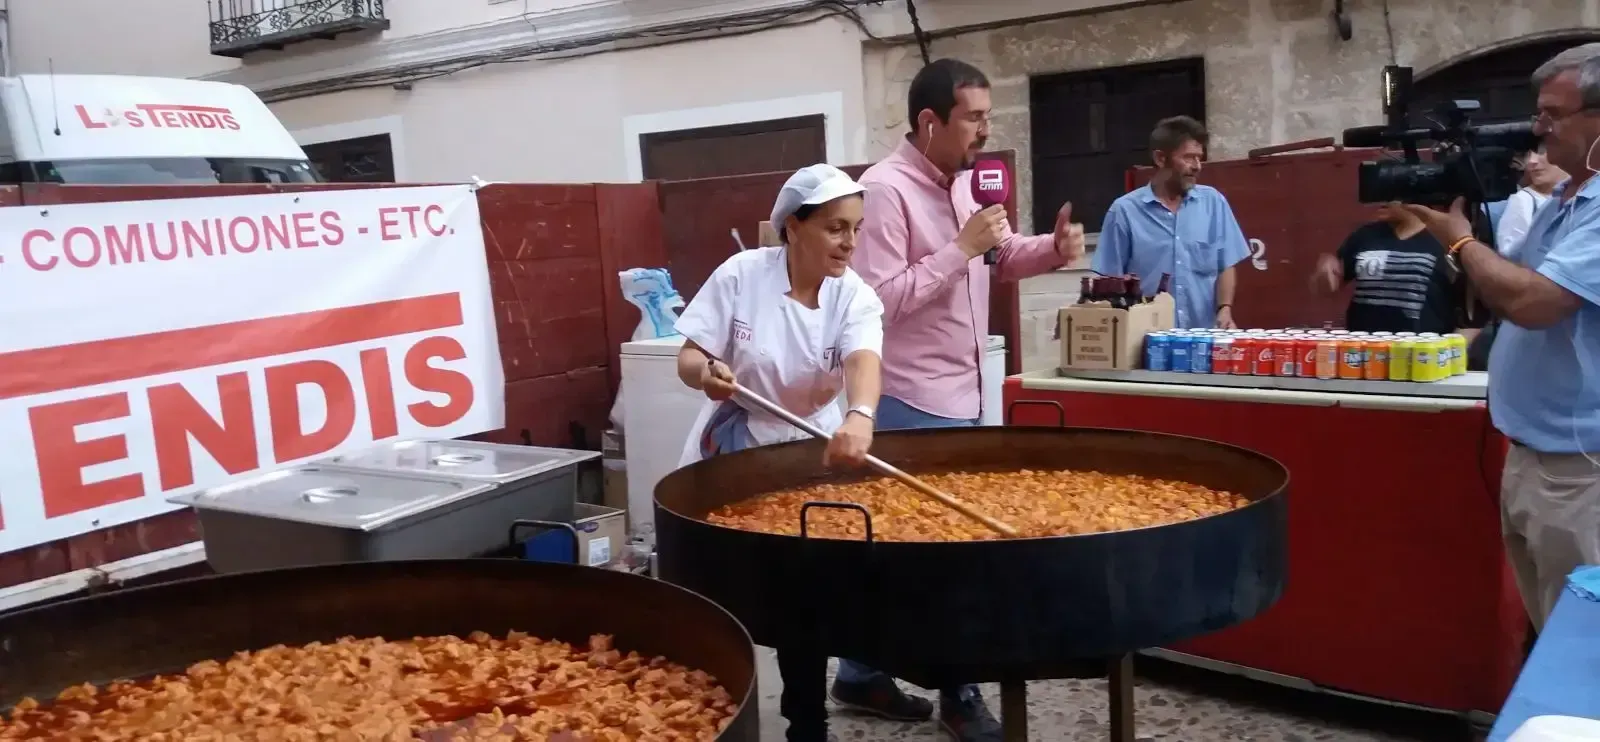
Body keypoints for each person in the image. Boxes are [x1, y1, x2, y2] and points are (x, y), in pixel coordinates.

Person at [849, 58, 1086, 742]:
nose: (986, 131)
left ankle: (860, 672)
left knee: (902, 555)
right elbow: (877, 303)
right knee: (944, 561)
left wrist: (1053, 250)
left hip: (962, 393)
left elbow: (999, 256)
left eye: (988, 116)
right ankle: (961, 695)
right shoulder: (883, 192)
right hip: (906, 400)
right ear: (930, 122)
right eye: (974, 118)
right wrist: (958, 249)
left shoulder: (963, 184)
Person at [673, 163, 884, 742]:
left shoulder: (854, 296)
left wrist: (860, 415)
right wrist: (707, 372)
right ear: (794, 225)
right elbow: (688, 355)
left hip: (808, 449)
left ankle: (805, 724)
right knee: (722, 590)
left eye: (856, 229)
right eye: (836, 228)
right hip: (734, 447)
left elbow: (865, 360)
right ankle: (706, 714)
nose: (849, 242)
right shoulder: (743, 274)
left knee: (802, 592)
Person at [1402, 43, 1600, 630]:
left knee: (1583, 653)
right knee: (1551, 635)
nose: (1536, 130)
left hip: (1581, 472)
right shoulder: (1566, 200)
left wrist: (1460, 240)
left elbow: (1533, 302)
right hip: (1535, 460)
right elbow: (1503, 282)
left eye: (1550, 114)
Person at [1093, 116, 1251, 329]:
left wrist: (1225, 308)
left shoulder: (1213, 203)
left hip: (1203, 338)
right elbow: (1110, 279)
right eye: (1188, 158)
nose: (1197, 166)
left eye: (1199, 158)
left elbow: (1225, 264)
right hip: (1145, 341)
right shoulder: (1125, 211)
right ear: (1160, 158)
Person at [1310, 201, 1456, 334]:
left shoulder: (1443, 238)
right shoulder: (1365, 235)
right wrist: (1324, 274)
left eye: (1390, 193)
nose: (1381, 200)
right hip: (1364, 348)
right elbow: (1326, 287)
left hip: (1423, 350)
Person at [1496, 148, 1570, 257]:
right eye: (1528, 154)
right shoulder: (1524, 200)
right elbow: (1508, 257)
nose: (1531, 161)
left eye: (1542, 152)